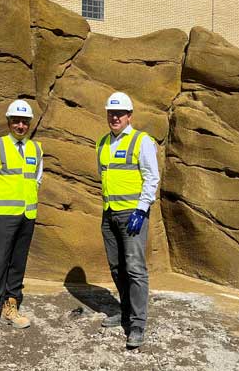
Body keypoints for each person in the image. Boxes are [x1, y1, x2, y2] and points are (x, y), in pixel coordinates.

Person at [96, 91, 160, 349]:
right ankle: (123, 312)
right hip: (109, 212)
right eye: (111, 113)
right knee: (116, 267)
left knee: (135, 269)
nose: (115, 117)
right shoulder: (102, 143)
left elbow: (151, 177)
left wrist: (142, 209)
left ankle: (137, 324)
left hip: (133, 215)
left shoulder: (141, 141)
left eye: (120, 113)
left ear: (129, 116)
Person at [0, 99, 43, 344]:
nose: (20, 125)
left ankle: (10, 305)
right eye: (16, 120)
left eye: (24, 121)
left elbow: (37, 179)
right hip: (6, 215)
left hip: (28, 215)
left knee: (18, 263)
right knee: (0, 263)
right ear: (8, 122)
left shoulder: (36, 149)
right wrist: (3, 201)